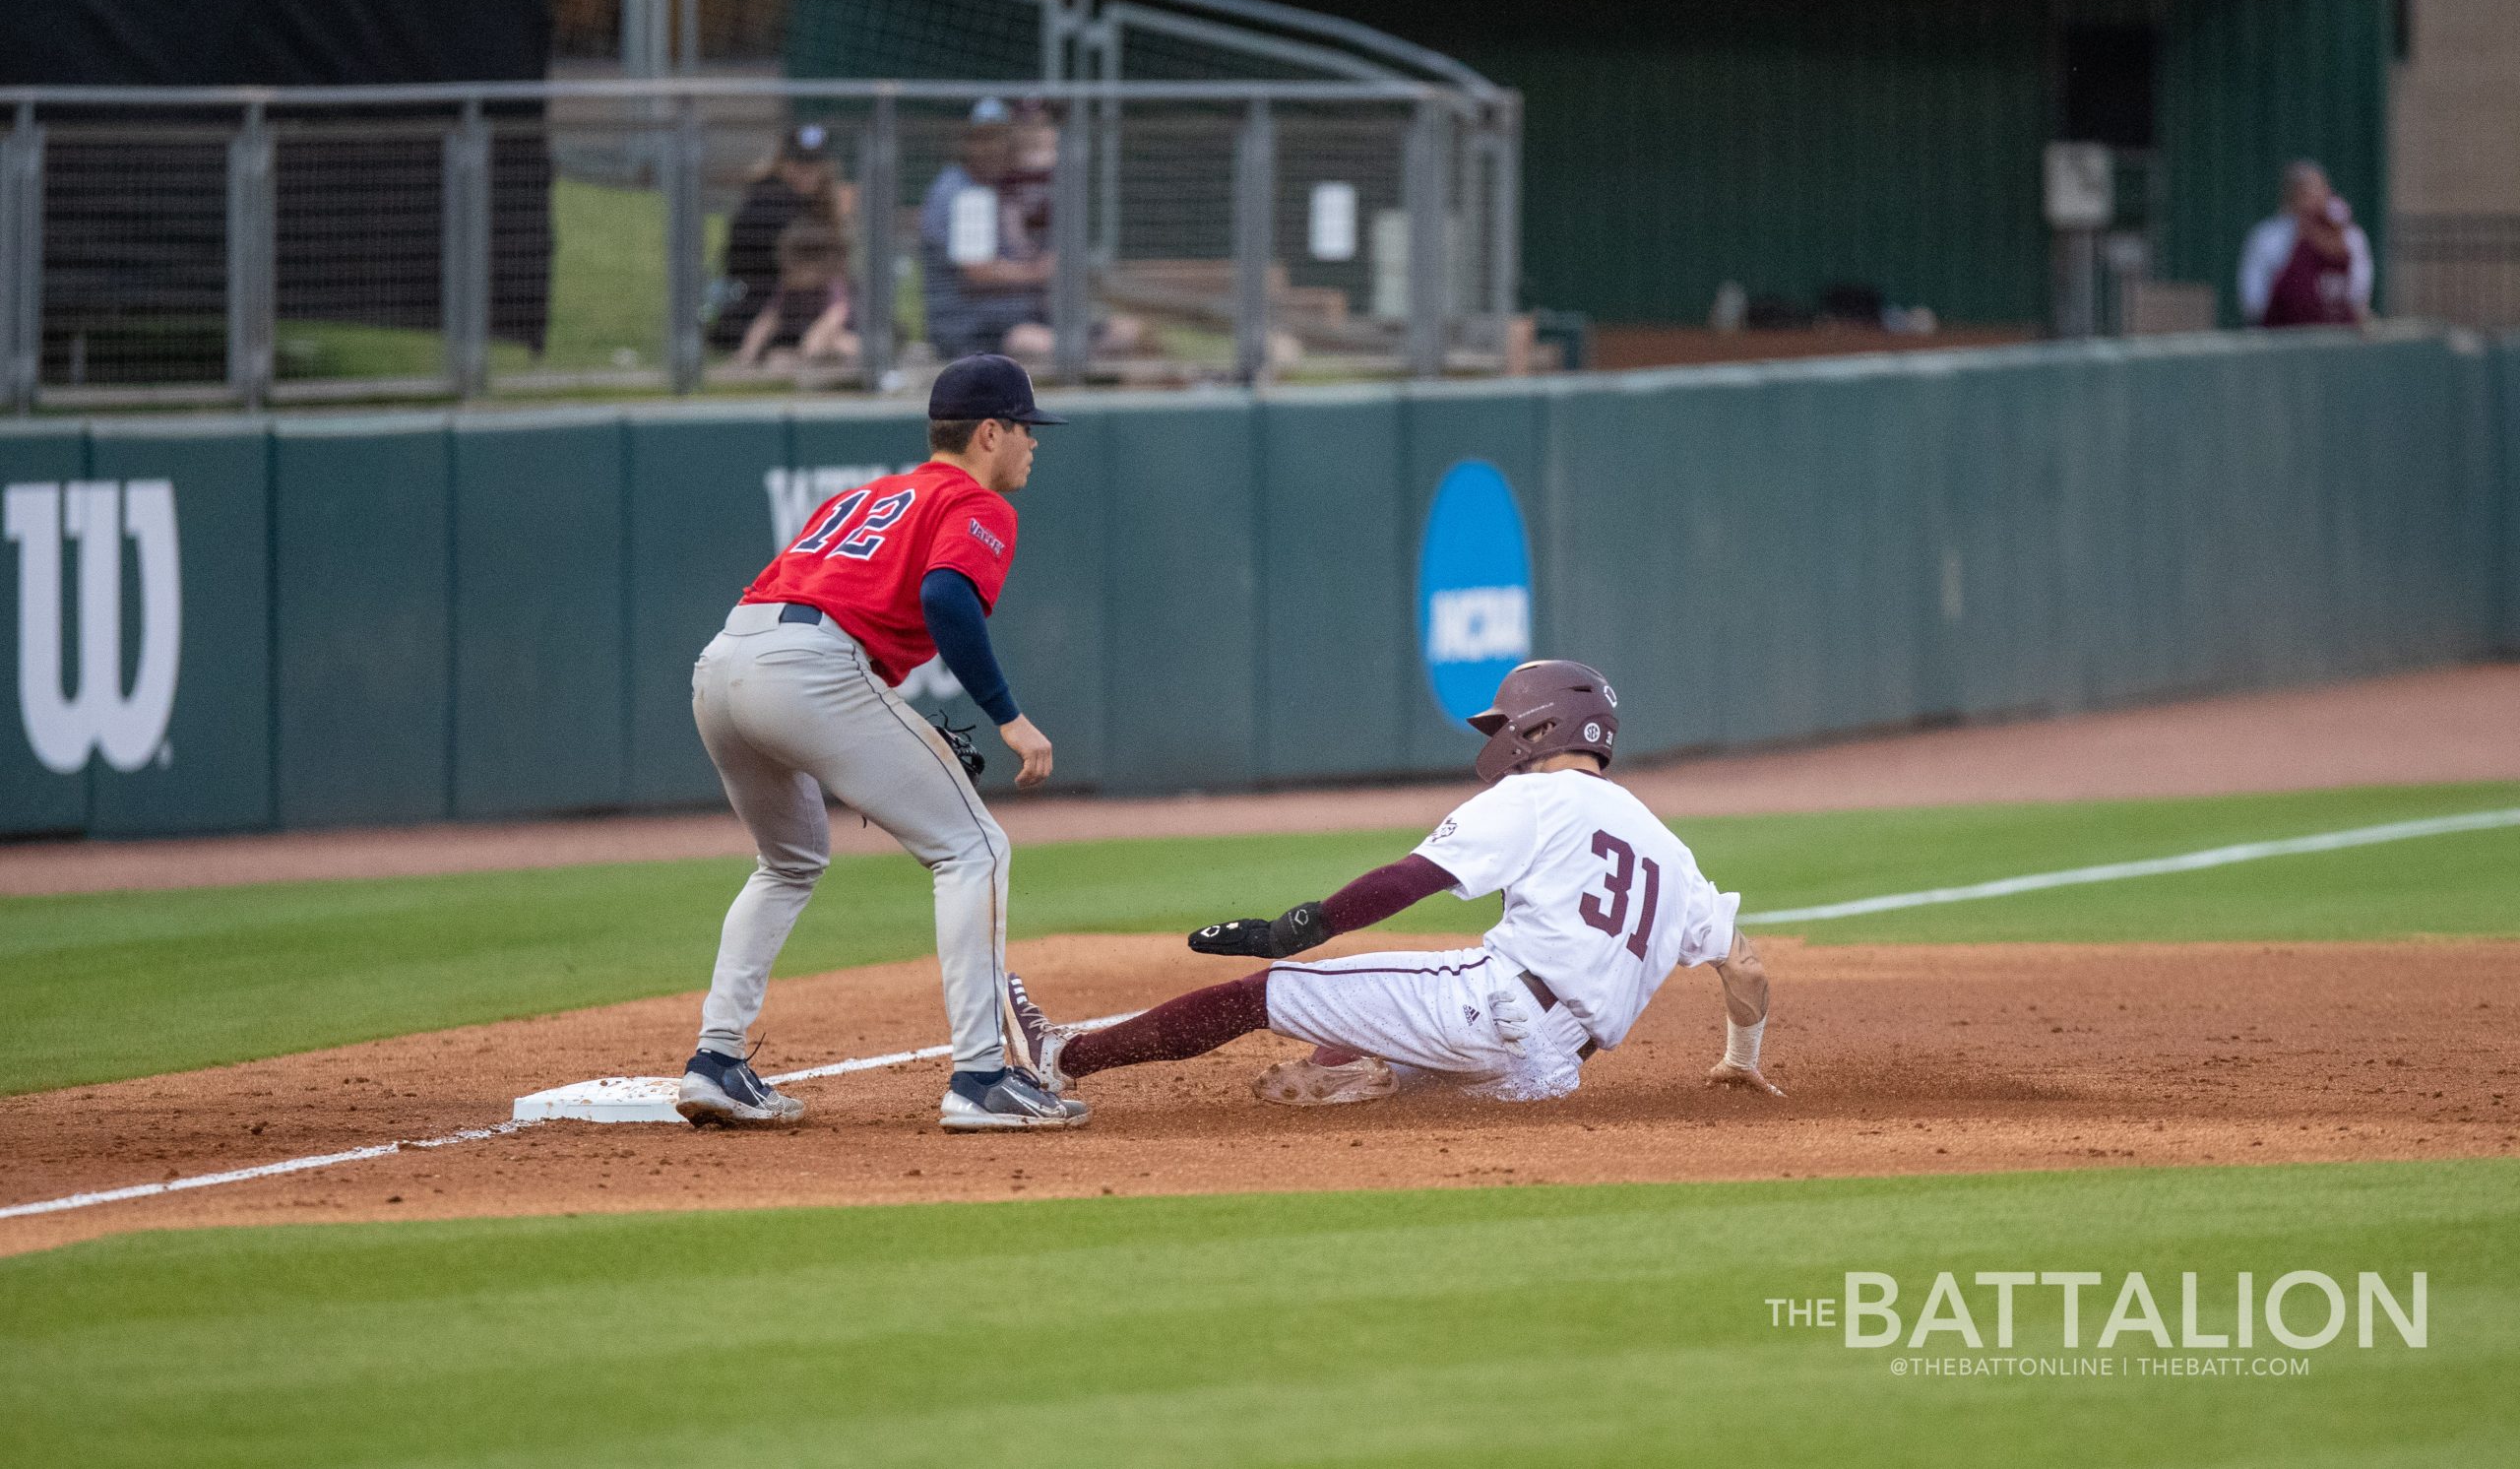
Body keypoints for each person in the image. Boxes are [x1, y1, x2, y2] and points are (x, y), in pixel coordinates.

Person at [1004, 661, 1783, 1110]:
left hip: (1489, 1006)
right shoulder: (1670, 850)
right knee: (1392, 1015)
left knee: (1262, 992)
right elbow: (1745, 968)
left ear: (1545, 729)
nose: (1503, 739)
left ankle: (1061, 1057)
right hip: (1548, 1072)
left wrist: (1297, 929)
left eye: (1512, 724)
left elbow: (1411, 878)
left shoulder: (1539, 797)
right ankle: (1360, 1066)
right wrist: (1742, 1055)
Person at [676, 353, 1081, 1134]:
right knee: (974, 848)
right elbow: (944, 596)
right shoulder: (976, 500)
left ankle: (716, 1061)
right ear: (988, 432)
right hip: (810, 669)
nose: (1034, 442)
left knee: (788, 860)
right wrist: (1007, 714)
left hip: (724, 661)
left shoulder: (867, 494)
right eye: (1025, 427)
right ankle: (982, 1076)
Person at [917, 98, 1142, 362]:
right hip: (973, 330)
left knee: (1126, 332)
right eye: (981, 139)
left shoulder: (1007, 189)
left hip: (1025, 317)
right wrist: (1040, 272)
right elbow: (978, 273)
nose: (992, 149)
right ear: (965, 143)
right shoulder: (962, 191)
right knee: (1042, 345)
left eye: (1000, 139)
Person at [716, 123, 853, 351]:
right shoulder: (768, 200)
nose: (807, 173)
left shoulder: (817, 202)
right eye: (799, 164)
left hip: (802, 301)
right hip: (766, 305)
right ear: (784, 163)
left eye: (814, 165)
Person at [2239, 160, 2372, 328]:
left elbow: (2359, 295)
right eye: (2305, 194)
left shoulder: (2350, 236)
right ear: (2291, 198)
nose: (2314, 201)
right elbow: (2254, 301)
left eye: (2319, 190)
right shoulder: (2269, 237)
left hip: (2336, 336)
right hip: (2283, 337)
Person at [733, 218, 856, 369]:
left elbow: (836, 315)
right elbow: (767, 320)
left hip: (831, 337)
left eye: (793, 269)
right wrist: (747, 352)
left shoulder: (832, 284)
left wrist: (815, 339)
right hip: (801, 345)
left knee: (842, 344)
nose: (786, 273)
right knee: (776, 358)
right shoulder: (786, 288)